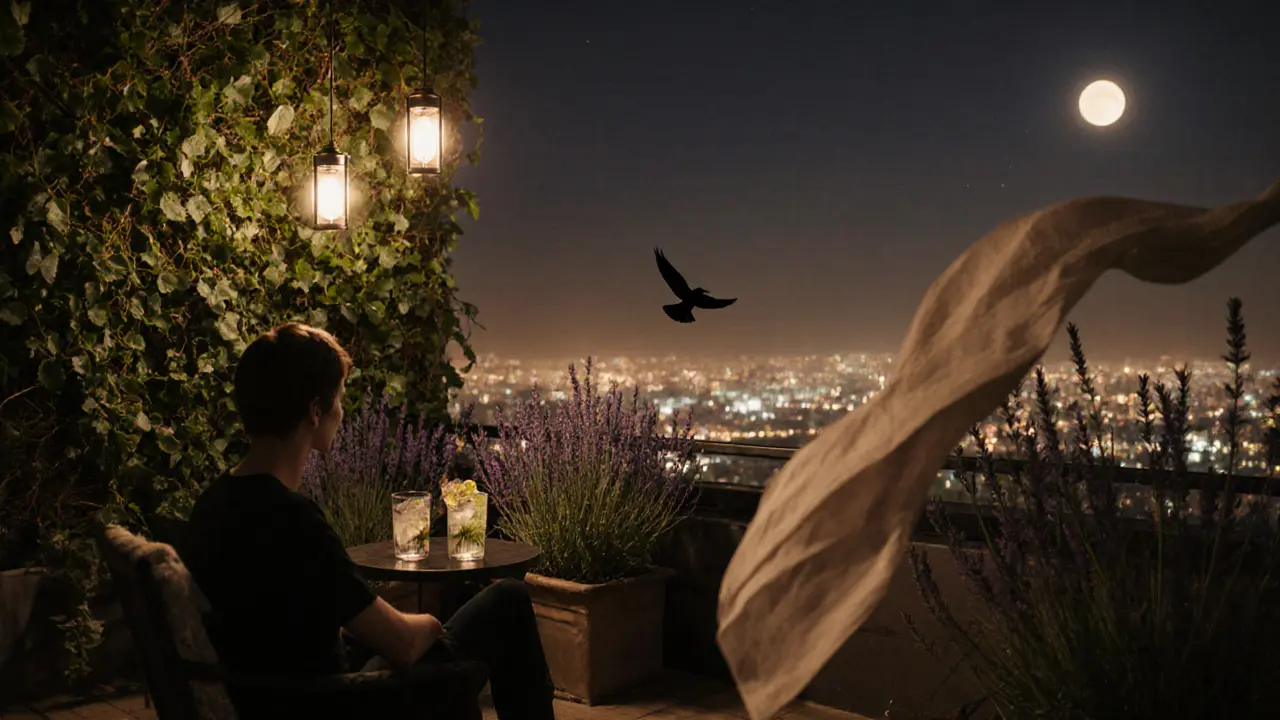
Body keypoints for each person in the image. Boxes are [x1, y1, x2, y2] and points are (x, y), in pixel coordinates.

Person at [181, 323, 555, 719]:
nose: (342, 413)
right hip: (338, 703)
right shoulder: (293, 521)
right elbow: (402, 643)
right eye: (339, 400)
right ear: (314, 411)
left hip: (275, 697)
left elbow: (282, 625)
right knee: (507, 600)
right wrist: (430, 625)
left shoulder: (215, 504)